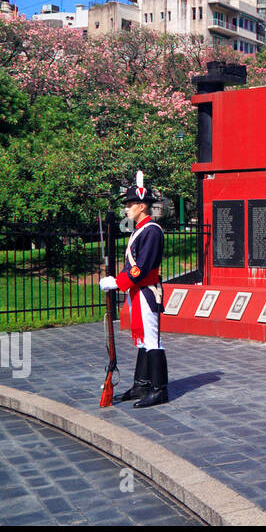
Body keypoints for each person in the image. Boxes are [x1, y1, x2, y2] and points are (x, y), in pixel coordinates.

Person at [98, 171, 168, 408]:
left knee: (152, 340)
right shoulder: (140, 229)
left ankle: (159, 390)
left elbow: (142, 268)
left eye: (129, 204)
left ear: (141, 206)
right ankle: (142, 384)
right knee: (143, 339)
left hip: (147, 291)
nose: (126, 208)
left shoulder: (151, 230)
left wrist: (117, 282)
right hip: (138, 292)